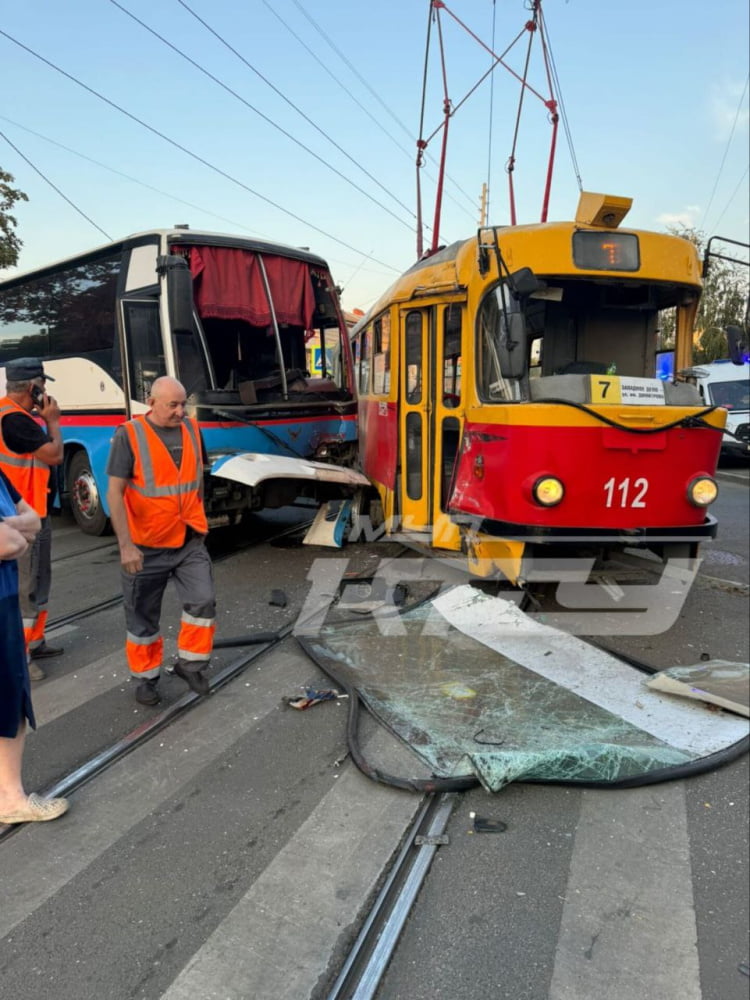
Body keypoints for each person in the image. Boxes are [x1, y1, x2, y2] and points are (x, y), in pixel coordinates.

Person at [106, 376, 216, 706]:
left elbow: (197, 478)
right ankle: (146, 678)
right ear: (151, 402)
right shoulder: (130, 434)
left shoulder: (193, 430)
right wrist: (126, 546)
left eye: (183, 404)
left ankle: (190, 665)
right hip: (145, 546)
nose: (181, 411)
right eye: (173, 405)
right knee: (142, 616)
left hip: (188, 540)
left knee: (203, 601)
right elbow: (114, 492)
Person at [0, 467, 69, 824]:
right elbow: (10, 543)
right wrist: (15, 531)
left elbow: (35, 521)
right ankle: (10, 799)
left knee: (11, 696)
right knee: (8, 697)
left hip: (5, 596)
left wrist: (10, 527)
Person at [0, 358, 65, 683]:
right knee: (27, 589)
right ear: (33, 387)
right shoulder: (16, 421)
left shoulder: (10, 413)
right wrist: (52, 421)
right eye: (43, 385)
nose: (47, 391)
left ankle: (35, 642)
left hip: (24, 512)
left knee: (38, 583)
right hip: (26, 517)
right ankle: (21, 657)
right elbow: (54, 454)